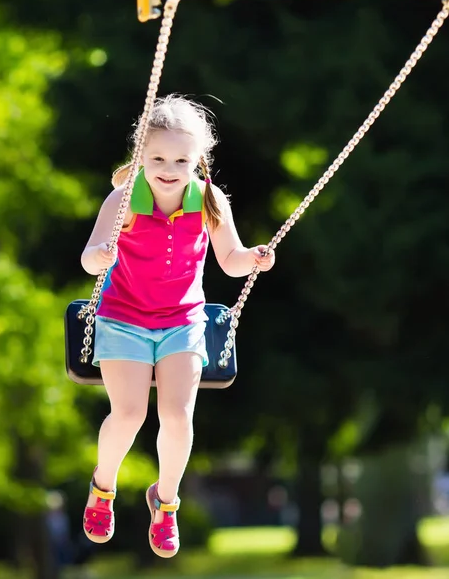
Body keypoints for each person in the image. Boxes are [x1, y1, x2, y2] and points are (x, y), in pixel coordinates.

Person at [80, 94, 275, 558]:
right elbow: (90, 256)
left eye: (182, 159)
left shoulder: (208, 199)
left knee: (177, 416)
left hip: (182, 322)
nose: (169, 168)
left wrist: (255, 259)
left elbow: (230, 259)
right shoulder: (123, 198)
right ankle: (102, 489)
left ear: (198, 159)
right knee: (129, 414)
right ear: (141, 155)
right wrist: (100, 257)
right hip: (123, 317)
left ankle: (165, 503)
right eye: (158, 158)